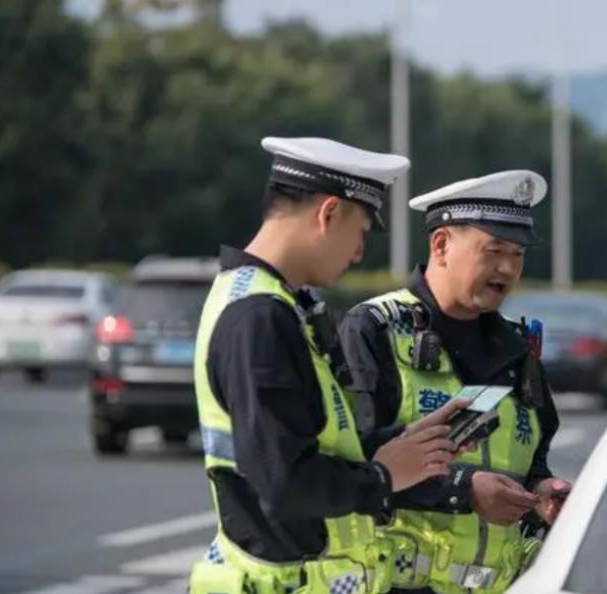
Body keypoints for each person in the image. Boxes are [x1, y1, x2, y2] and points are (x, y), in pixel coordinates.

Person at [189, 137, 468, 594]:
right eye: (361, 233)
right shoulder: (261, 316)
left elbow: (304, 443)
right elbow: (284, 482)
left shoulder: (254, 297)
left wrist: (400, 443)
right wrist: (382, 477)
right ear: (329, 213)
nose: (357, 254)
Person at [339, 170, 572, 594]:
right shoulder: (375, 329)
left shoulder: (518, 349)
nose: (508, 267)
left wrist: (541, 491)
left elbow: (529, 460)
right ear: (441, 245)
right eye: (494, 250)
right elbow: (351, 460)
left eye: (518, 253)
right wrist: (463, 491)